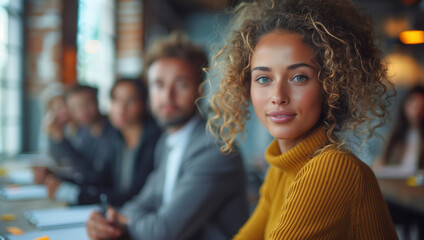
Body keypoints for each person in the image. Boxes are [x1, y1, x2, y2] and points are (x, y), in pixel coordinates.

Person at [207, 0, 398, 239]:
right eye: (264, 79)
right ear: (247, 86)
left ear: (330, 86)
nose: (278, 97)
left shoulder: (333, 168)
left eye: (299, 77)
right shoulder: (280, 171)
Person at [86, 33, 248, 240]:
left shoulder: (216, 150)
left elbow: (163, 232)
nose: (167, 96)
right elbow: (143, 202)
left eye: (181, 84)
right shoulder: (166, 142)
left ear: (201, 90)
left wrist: (125, 223)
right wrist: (109, 219)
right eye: (159, 85)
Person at [44, 79, 161, 206]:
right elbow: (100, 179)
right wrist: (59, 178)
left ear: (144, 102)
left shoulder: (153, 140)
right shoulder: (119, 138)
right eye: (116, 100)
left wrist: (73, 193)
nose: (121, 108)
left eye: (130, 100)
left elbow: (133, 196)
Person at [373, 85, 424, 177]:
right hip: (396, 183)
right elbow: (381, 162)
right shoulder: (394, 135)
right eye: (414, 106)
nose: (417, 112)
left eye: (422, 108)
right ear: (405, 105)